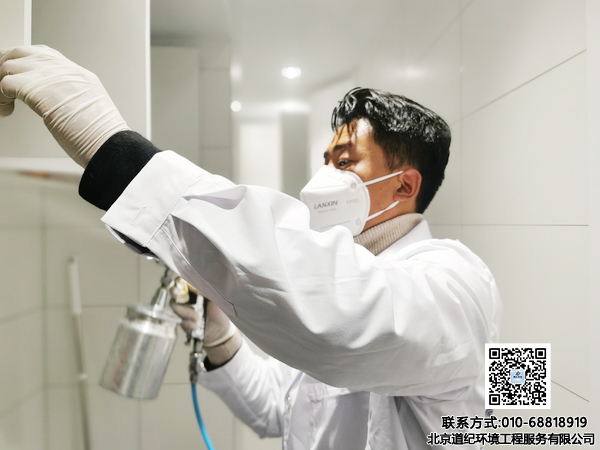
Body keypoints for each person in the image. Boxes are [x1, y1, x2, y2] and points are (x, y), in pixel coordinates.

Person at [0, 45, 502, 449]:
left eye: (345, 162)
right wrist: (219, 337)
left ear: (404, 185)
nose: (325, 177)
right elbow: (280, 409)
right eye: (326, 159)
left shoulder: (457, 283)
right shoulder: (351, 269)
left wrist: (117, 154)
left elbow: (339, 318)